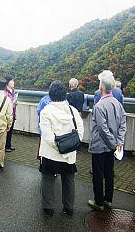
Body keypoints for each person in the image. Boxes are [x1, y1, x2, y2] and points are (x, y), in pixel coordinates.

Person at [39, 81, 84, 216]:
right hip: (69, 154)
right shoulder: (73, 111)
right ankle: (68, 207)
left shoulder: (46, 111)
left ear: (50, 95)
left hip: (50, 153)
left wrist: (59, 146)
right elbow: (80, 132)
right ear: (65, 95)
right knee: (68, 179)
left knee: (48, 179)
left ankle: (48, 208)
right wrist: (68, 147)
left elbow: (47, 135)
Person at [88, 72, 126, 211]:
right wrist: (118, 142)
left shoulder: (99, 106)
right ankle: (108, 200)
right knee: (109, 172)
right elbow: (123, 124)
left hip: (100, 145)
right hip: (112, 146)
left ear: (101, 87)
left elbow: (102, 129)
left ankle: (99, 201)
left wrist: (112, 143)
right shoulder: (118, 103)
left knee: (98, 174)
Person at [4, 75, 18, 152]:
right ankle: (6, 146)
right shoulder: (5, 92)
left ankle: (9, 144)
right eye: (11, 81)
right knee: (7, 130)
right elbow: (7, 103)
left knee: (11, 130)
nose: (13, 82)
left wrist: (15, 102)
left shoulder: (13, 91)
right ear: (7, 82)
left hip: (13, 113)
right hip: (7, 114)